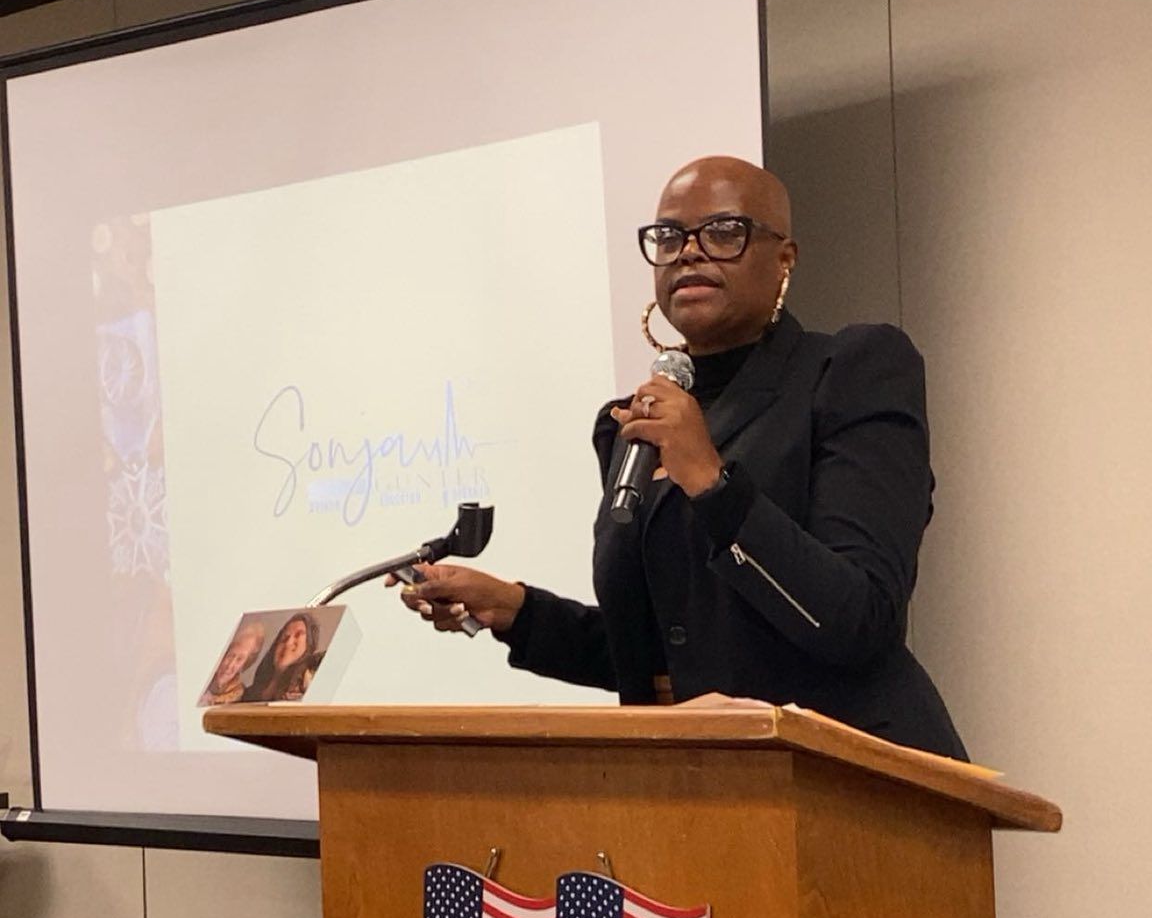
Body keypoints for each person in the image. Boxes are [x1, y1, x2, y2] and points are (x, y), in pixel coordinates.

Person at [398, 155, 966, 759]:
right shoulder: (631, 425)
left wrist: (713, 483)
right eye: (669, 238)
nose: (689, 252)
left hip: (852, 779)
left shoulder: (851, 372)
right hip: (697, 780)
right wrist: (517, 610)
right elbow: (673, 654)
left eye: (724, 232)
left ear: (784, 260)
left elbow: (861, 621)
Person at [247, 611, 323, 702]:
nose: (288, 643)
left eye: (298, 635)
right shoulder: (248, 693)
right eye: (284, 637)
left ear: (309, 645)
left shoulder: (309, 688)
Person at [199, 618, 266, 706]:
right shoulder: (200, 680)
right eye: (230, 656)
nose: (230, 665)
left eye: (239, 659)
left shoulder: (242, 697)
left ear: (244, 664)